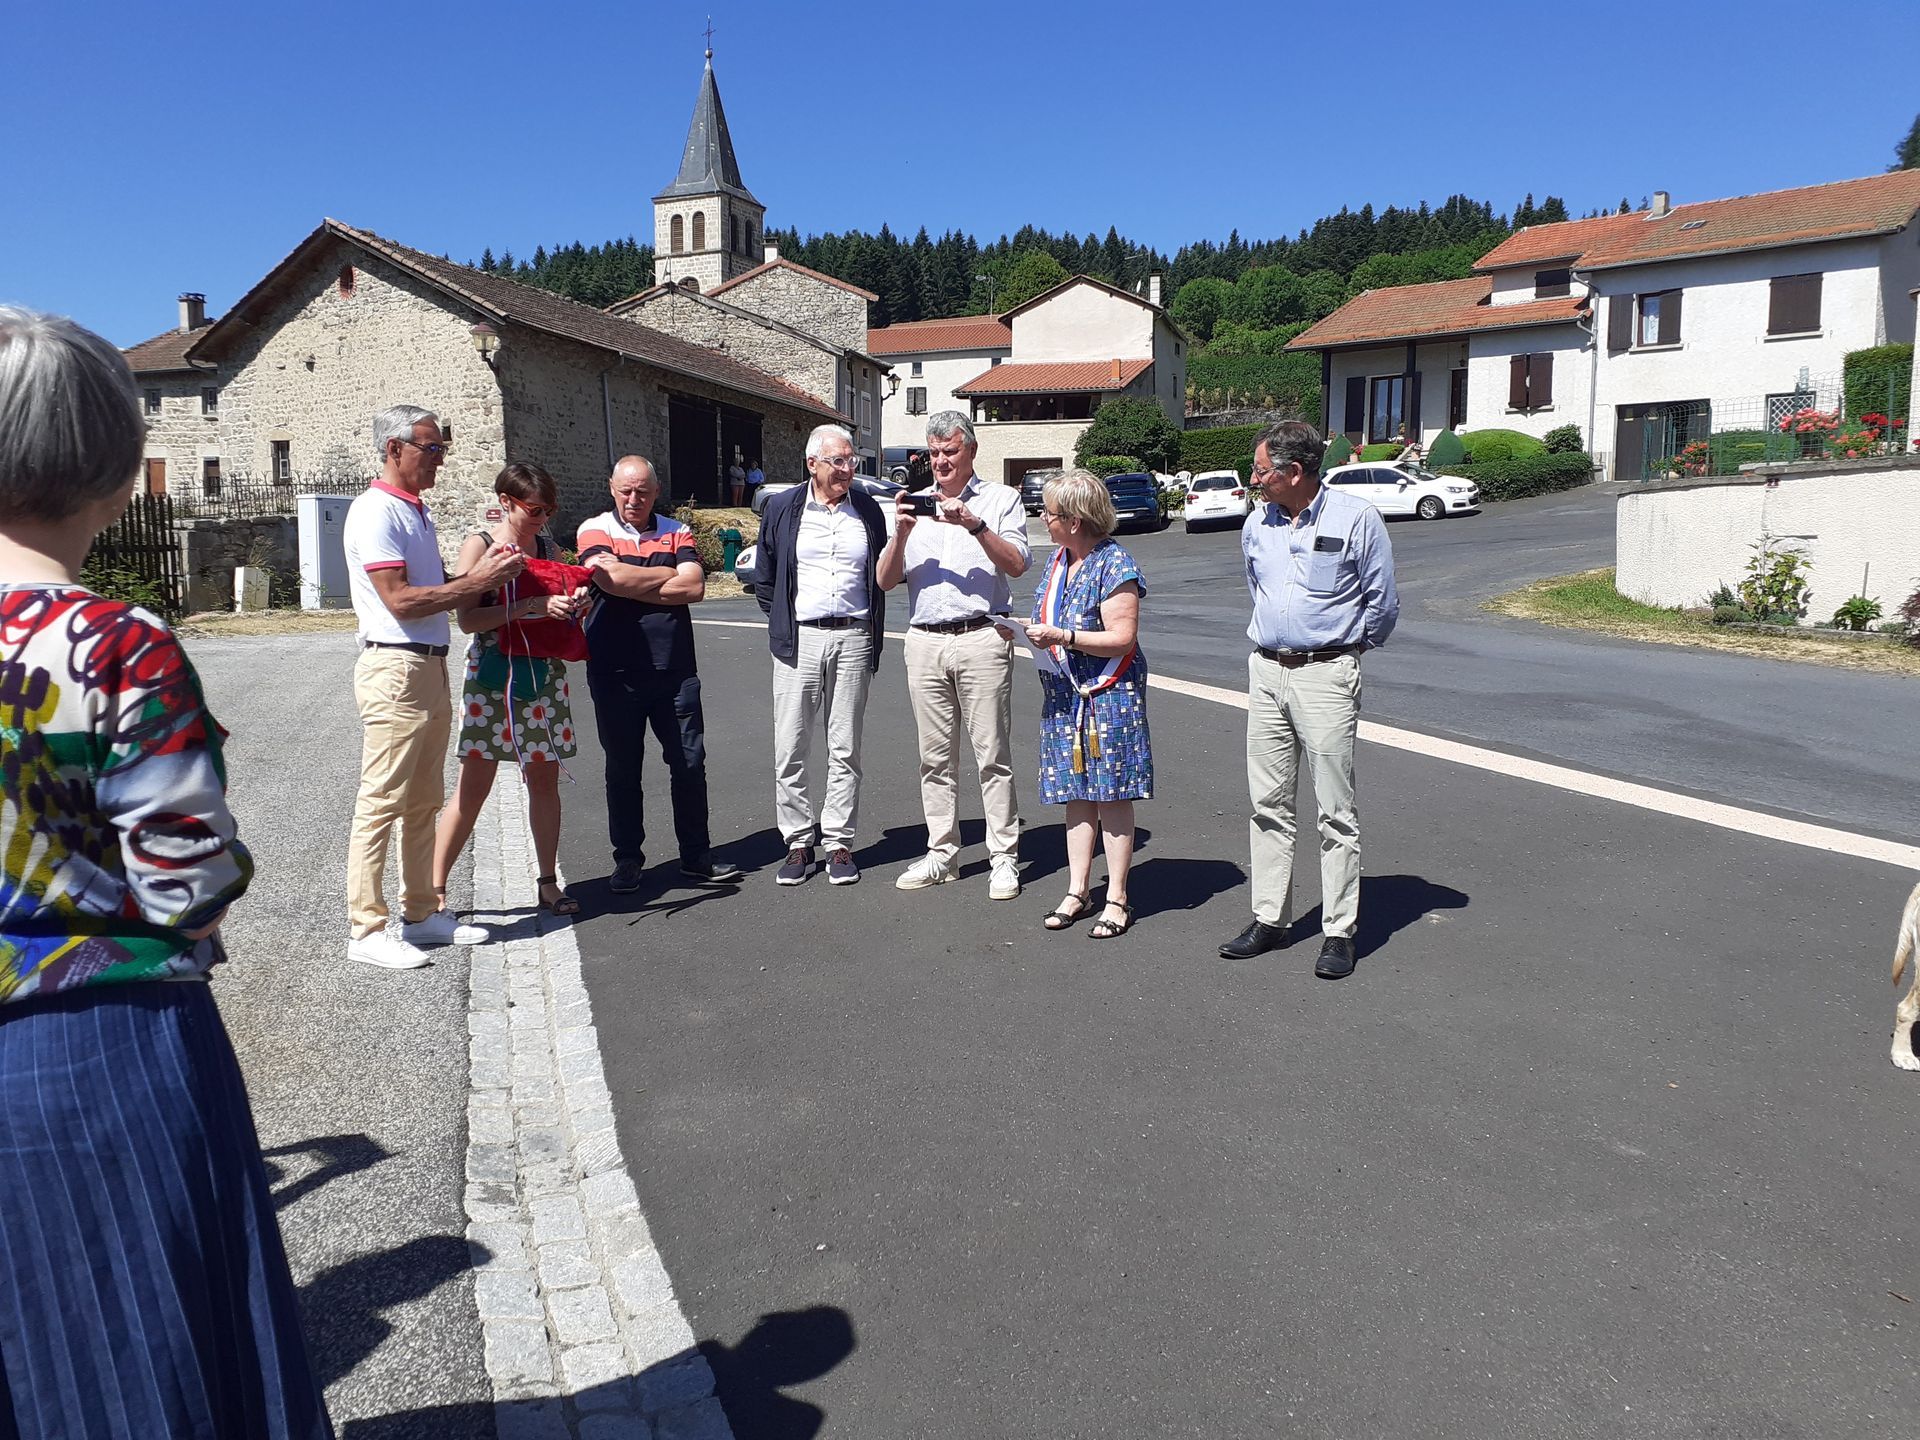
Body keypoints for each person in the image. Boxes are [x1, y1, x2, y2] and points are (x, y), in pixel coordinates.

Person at [0, 304, 331, 1438]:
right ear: (108, 467)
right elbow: (186, 883)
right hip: (97, 1047)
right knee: (140, 1353)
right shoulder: (116, 646)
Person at [343, 404, 523, 969]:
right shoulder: (377, 511)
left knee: (422, 800)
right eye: (431, 448)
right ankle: (366, 929)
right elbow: (399, 600)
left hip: (425, 665)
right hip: (397, 667)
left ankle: (420, 914)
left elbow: (429, 586)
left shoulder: (412, 511)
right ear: (394, 449)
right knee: (381, 801)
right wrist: (477, 580)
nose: (440, 459)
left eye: (442, 448)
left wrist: (478, 575)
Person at [1219, 420, 1399, 980]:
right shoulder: (1256, 524)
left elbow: (1382, 603)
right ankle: (1269, 919)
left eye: (1261, 471)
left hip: (1326, 674)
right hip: (1266, 671)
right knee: (1268, 802)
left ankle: (1339, 931)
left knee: (1334, 810)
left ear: (1294, 471)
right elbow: (1259, 589)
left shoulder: (1356, 519)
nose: (1254, 480)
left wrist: (1344, 650)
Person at [876, 411, 1031, 897]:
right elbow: (884, 580)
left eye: (950, 452)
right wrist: (901, 533)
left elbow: (1018, 564)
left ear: (971, 451)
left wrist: (975, 525)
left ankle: (1003, 857)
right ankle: (942, 853)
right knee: (934, 759)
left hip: (982, 636)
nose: (941, 461)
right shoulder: (913, 505)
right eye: (934, 453)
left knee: (993, 756)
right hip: (924, 640)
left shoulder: (1000, 500)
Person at [431, 463, 591, 917]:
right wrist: (531, 604)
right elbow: (467, 620)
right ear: (506, 502)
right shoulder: (479, 545)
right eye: (534, 509)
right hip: (493, 675)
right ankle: (434, 889)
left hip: (540, 673)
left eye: (549, 510)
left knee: (544, 780)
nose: (542, 518)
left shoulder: (548, 547)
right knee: (474, 785)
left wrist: (575, 604)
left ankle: (548, 883)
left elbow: (556, 606)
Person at [578, 456, 743, 892]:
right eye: (626, 491)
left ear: (656, 490)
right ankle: (627, 859)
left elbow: (694, 587)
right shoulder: (594, 529)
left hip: (675, 670)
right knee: (623, 769)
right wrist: (665, 573)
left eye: (642, 491)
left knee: (689, 764)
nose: (634, 499)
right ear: (612, 488)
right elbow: (608, 579)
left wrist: (631, 581)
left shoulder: (676, 529)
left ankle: (696, 856)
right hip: (615, 671)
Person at [749, 424, 889, 886]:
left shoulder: (867, 509)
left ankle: (839, 842)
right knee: (791, 745)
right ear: (812, 463)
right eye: (838, 461)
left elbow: (880, 572)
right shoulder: (782, 508)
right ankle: (797, 841)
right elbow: (766, 577)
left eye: (852, 461)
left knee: (845, 747)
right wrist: (784, 621)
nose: (848, 469)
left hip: (854, 637)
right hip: (800, 639)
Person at [1021, 470, 1152, 939]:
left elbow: (1122, 638)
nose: (1043, 517)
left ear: (1075, 520)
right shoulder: (1059, 560)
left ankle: (1116, 897)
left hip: (1108, 695)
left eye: (1050, 512)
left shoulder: (1115, 564)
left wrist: (1064, 636)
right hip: (1065, 695)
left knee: (1111, 793)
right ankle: (1078, 890)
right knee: (1075, 793)